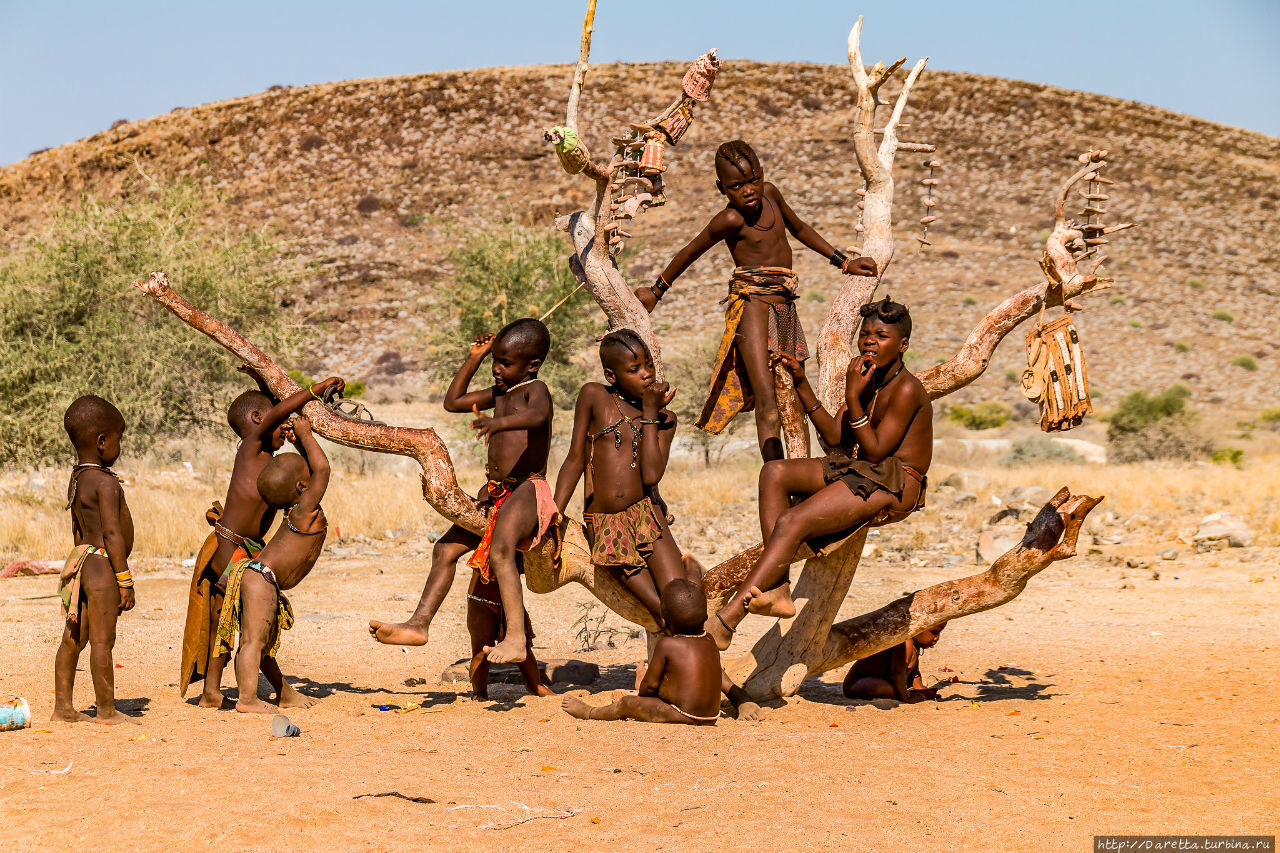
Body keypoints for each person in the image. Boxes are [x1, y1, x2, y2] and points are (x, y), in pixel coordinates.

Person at [706, 298, 932, 650]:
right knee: (774, 473)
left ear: (903, 345)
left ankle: (727, 619)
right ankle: (778, 587)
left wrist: (853, 396)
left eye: (882, 336)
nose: (870, 342)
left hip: (896, 481)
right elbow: (833, 436)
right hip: (867, 470)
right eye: (866, 334)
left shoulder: (906, 388)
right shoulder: (868, 380)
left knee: (793, 521)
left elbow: (875, 450)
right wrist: (802, 383)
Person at [635, 139, 878, 461]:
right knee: (767, 400)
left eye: (754, 180)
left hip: (785, 306)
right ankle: (775, 475)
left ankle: (799, 466)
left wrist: (844, 262)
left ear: (763, 174)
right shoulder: (730, 220)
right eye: (737, 186)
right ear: (722, 188)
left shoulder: (772, 195)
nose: (749, 190)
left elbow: (800, 228)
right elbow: (690, 252)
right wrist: (656, 292)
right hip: (753, 307)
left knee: (793, 393)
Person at [369, 319, 558, 666]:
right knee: (444, 549)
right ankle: (418, 623)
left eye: (506, 363)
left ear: (532, 365)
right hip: (495, 494)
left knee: (501, 550)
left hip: (527, 490)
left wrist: (497, 422)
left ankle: (515, 637)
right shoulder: (501, 392)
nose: (497, 369)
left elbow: (538, 416)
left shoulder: (537, 389)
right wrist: (475, 357)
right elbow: (453, 401)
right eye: (495, 361)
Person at [180, 370, 343, 710]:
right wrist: (314, 390)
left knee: (227, 621)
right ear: (259, 419)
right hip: (230, 548)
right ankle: (275, 690)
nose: (283, 427)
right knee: (256, 618)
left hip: (241, 547)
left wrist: (264, 383)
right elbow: (277, 415)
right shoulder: (251, 447)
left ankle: (213, 693)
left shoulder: (270, 463)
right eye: (277, 419)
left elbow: (309, 479)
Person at [554, 329, 695, 629]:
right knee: (663, 613)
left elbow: (651, 474)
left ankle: (691, 573)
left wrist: (649, 413)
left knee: (679, 598)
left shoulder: (665, 419)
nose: (646, 374)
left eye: (649, 366)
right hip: (605, 522)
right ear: (611, 375)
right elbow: (575, 459)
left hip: (645, 515)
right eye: (634, 369)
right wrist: (554, 512)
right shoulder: (594, 395)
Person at [216, 415, 330, 713]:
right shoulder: (305, 508)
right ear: (303, 486)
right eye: (309, 478)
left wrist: (299, 443)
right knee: (253, 642)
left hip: (258, 575)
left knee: (260, 641)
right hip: (261, 577)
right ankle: (248, 699)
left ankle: (282, 693)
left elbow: (309, 472)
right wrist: (304, 434)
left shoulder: (296, 506)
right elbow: (322, 468)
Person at [52, 395, 137, 724]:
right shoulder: (105, 483)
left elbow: (78, 529)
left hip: (84, 559)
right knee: (103, 641)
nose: (121, 445)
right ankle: (106, 711)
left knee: (74, 637)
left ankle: (63, 708)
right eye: (120, 438)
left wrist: (79, 571)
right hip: (103, 565)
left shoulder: (78, 479)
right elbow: (113, 534)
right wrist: (124, 580)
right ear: (102, 442)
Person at [562, 579, 721, 725]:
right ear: (706, 617)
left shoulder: (667, 644)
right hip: (712, 717)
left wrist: (642, 696)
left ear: (664, 620)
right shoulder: (710, 640)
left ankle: (589, 712)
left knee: (627, 703)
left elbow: (650, 686)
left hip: (683, 715)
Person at [842, 623, 947, 703]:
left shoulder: (915, 646)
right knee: (888, 689)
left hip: (884, 681)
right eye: (934, 632)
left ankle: (903, 692)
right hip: (857, 683)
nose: (936, 638)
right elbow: (897, 673)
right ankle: (900, 694)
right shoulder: (905, 642)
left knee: (893, 688)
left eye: (939, 633)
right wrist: (906, 697)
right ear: (918, 628)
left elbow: (914, 672)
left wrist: (921, 689)